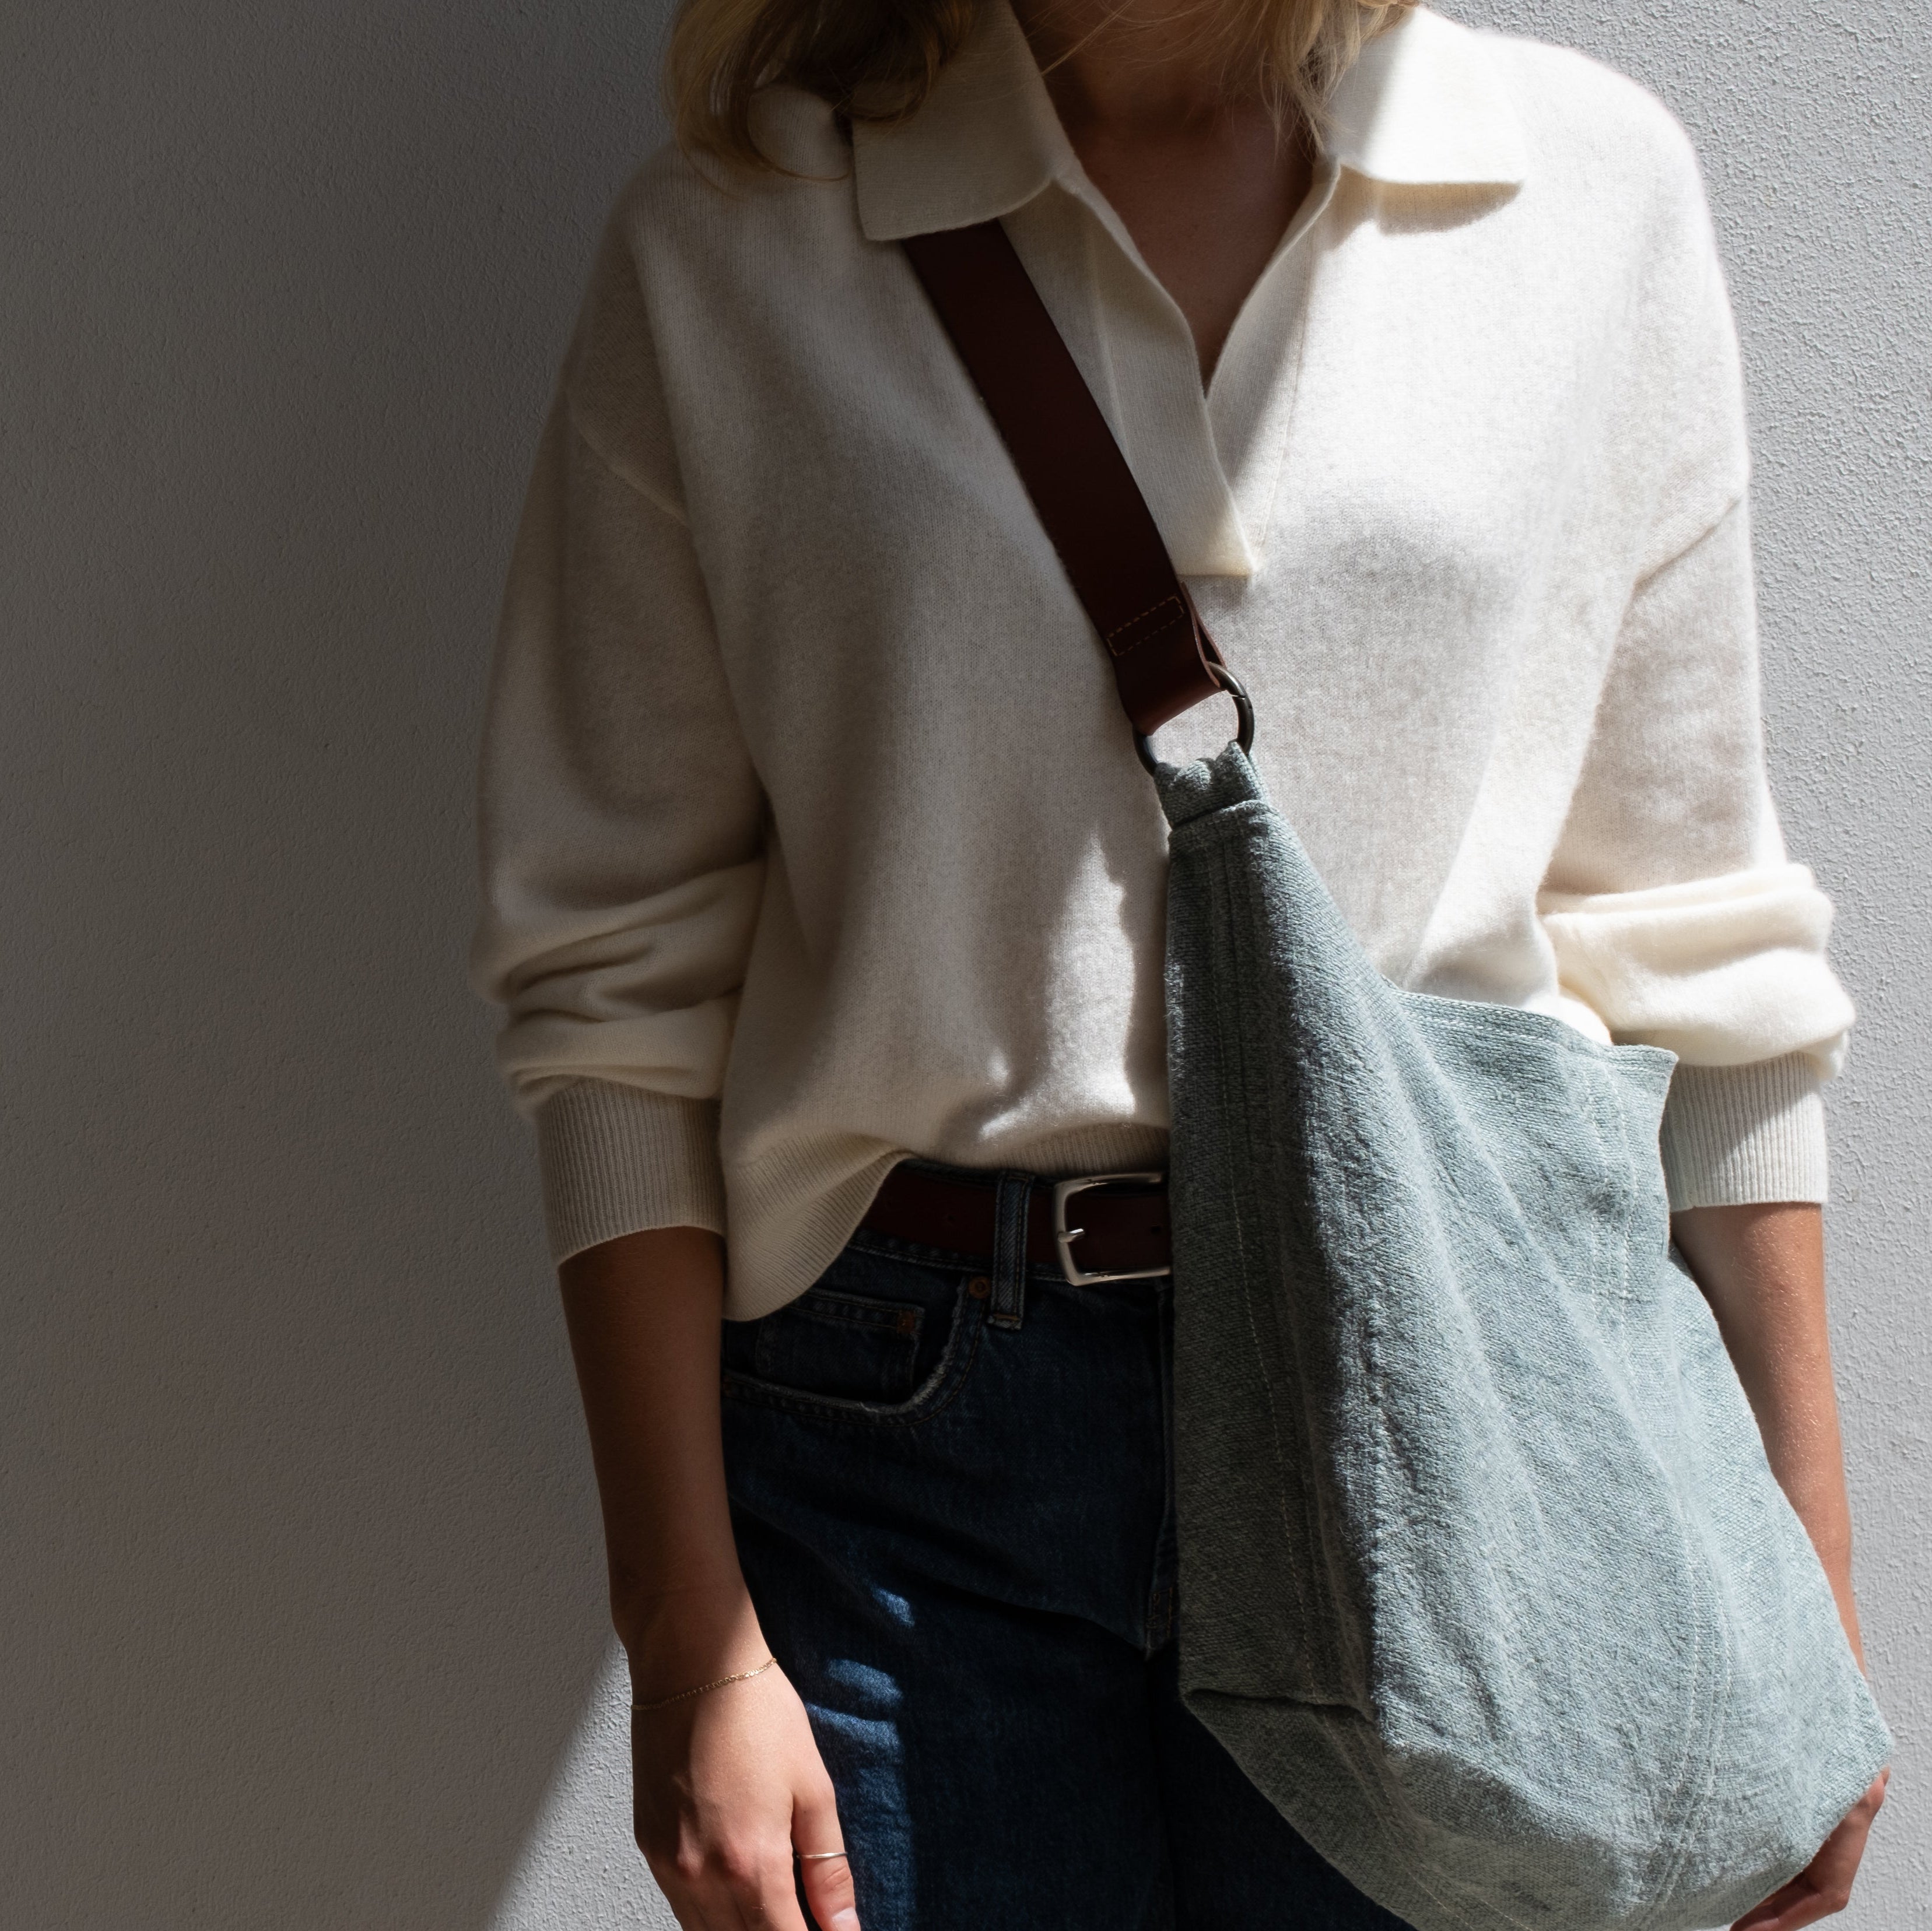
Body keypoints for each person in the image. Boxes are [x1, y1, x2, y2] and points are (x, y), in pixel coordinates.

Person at [471, 0, 1888, 1924]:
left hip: (1449, 1427)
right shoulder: (743, 237)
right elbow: (615, 976)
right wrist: (690, 1634)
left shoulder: (1581, 187)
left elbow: (1692, 935)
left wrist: (1795, 1596)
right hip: (902, 1447)